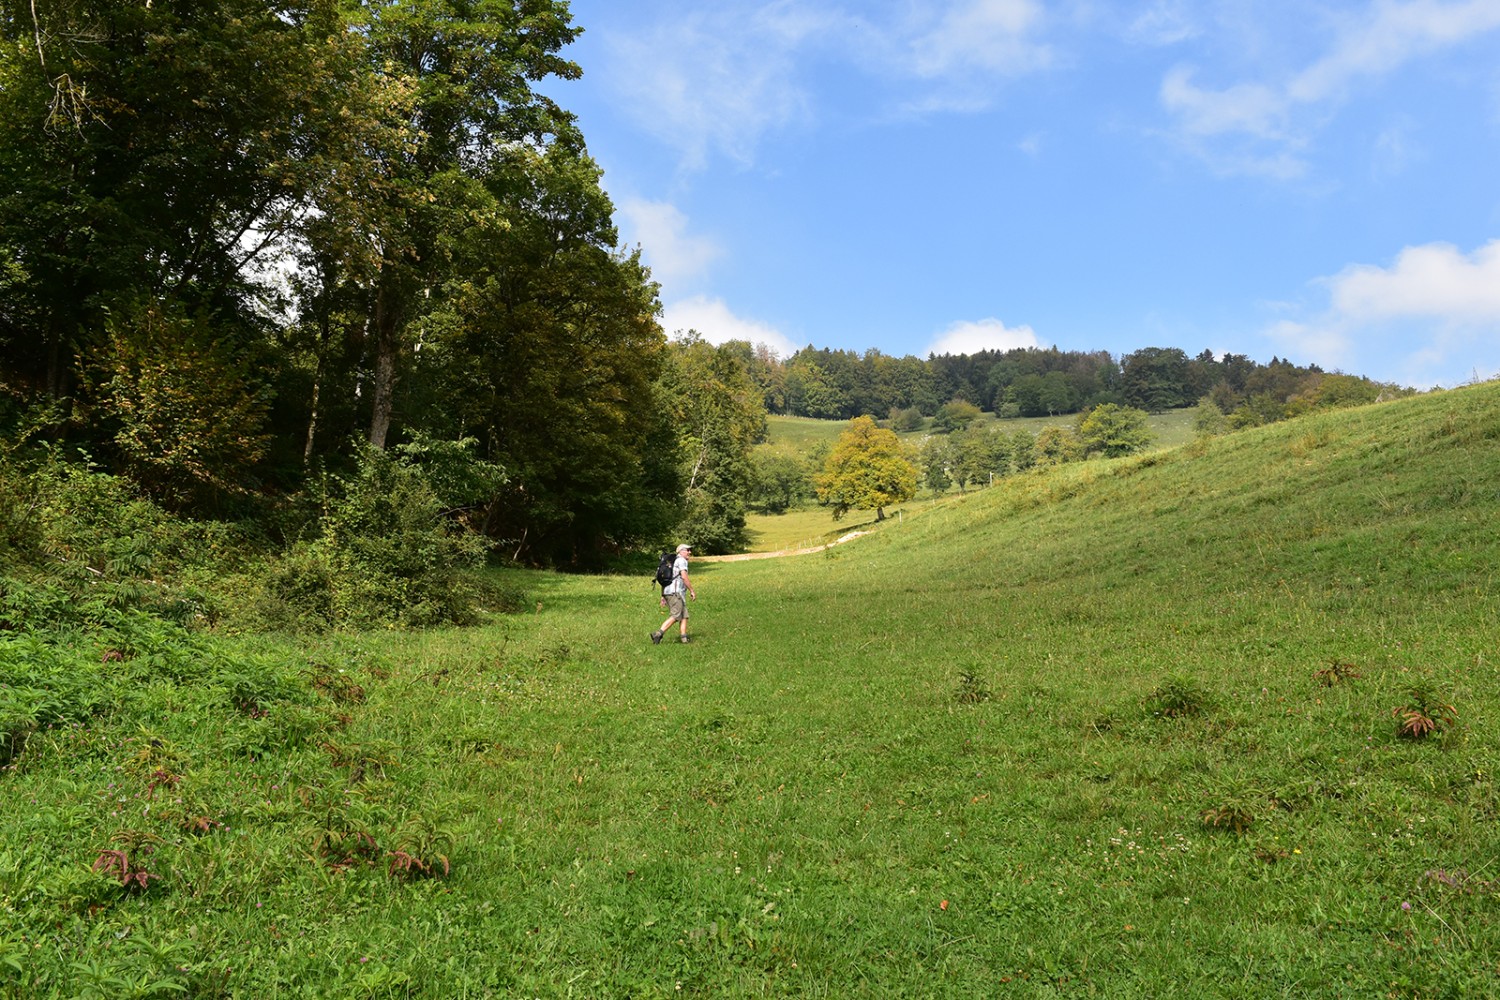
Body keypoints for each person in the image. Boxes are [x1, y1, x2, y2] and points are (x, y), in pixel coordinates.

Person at [651, 543, 696, 644]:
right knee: (676, 615)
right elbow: (684, 576)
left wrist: (663, 595)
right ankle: (658, 634)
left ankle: (684, 639)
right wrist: (692, 590)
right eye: (687, 550)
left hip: (670, 592)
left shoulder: (671, 561)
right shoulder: (681, 561)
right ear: (681, 551)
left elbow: (666, 579)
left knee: (684, 615)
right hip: (676, 593)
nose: (690, 552)